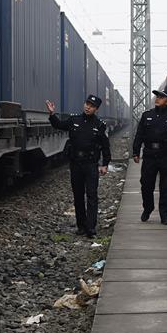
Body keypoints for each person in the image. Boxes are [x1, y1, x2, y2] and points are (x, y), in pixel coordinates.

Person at [46, 95, 111, 237]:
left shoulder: (100, 125)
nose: (88, 107)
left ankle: (91, 228)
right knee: (78, 196)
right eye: (87, 104)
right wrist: (52, 114)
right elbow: (59, 125)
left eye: (92, 106)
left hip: (91, 164)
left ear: (96, 109)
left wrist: (105, 164)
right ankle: (81, 226)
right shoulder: (74, 120)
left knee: (92, 195)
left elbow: (105, 146)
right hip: (76, 164)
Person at [132, 89, 167, 225]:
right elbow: (139, 135)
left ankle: (165, 215)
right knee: (146, 184)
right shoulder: (146, 116)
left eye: (161, 97)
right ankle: (148, 208)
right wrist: (136, 152)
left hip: (166, 156)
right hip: (149, 155)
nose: (157, 99)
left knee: (166, 187)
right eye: (157, 96)